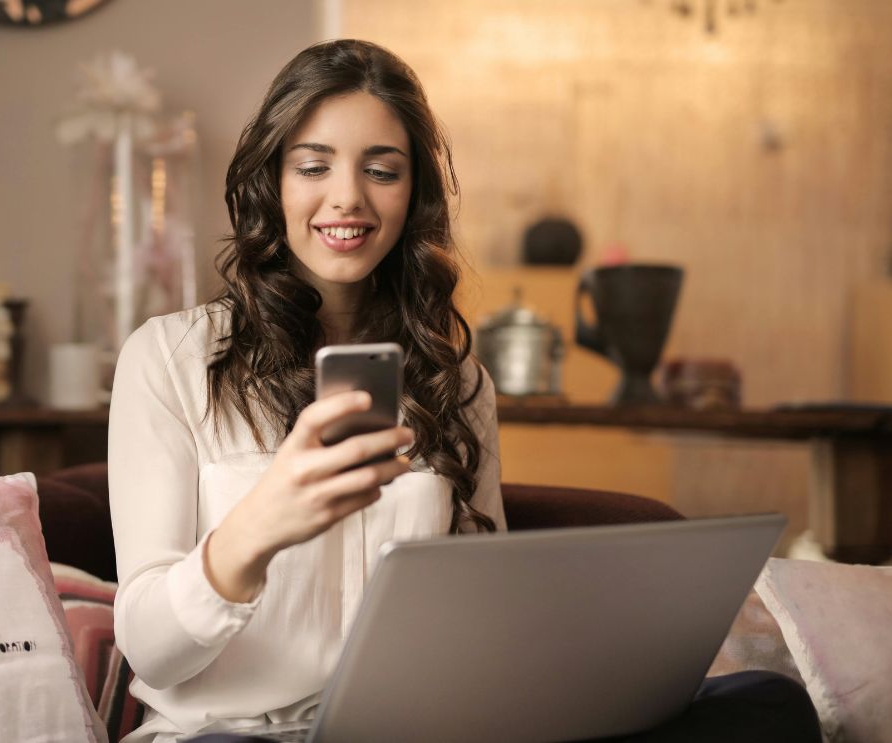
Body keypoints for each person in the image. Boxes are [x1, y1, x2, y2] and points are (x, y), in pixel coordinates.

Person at [108, 39, 820, 743]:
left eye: (381, 170)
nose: (347, 197)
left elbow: (483, 605)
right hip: (233, 735)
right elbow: (151, 648)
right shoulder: (170, 360)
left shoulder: (454, 381)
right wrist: (253, 530)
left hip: (417, 730)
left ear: (412, 191)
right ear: (273, 181)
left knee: (766, 706)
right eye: (313, 165)